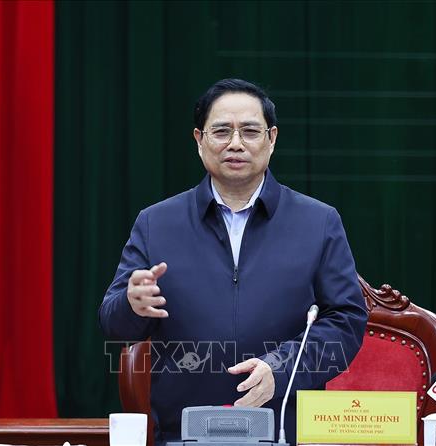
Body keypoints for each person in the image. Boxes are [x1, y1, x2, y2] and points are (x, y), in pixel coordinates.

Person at [99, 79, 368, 444]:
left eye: (251, 132)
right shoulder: (156, 223)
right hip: (184, 435)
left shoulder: (318, 222)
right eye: (222, 131)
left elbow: (346, 321)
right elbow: (114, 325)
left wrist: (281, 370)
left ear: (272, 139)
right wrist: (131, 305)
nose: (236, 143)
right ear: (199, 140)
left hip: (284, 431)